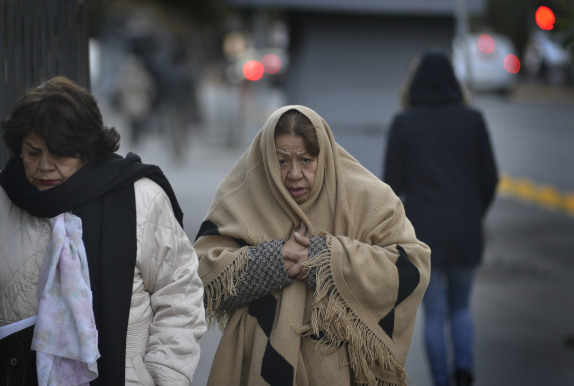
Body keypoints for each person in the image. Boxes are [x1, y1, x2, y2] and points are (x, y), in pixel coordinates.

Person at [194, 105, 431, 385]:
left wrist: (324, 259)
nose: (294, 173)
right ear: (267, 160)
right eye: (281, 161)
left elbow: (412, 265)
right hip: (254, 362)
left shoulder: (367, 196)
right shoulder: (243, 195)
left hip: (340, 369)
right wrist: (273, 261)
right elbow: (200, 273)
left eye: (306, 160)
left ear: (325, 155)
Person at [0, 76, 206, 385]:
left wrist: (164, 376)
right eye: (32, 152)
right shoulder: (5, 199)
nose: (44, 165)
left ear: (86, 149)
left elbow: (180, 293)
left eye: (59, 153)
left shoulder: (140, 198)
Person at [383, 50, 499, 386]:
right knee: (461, 307)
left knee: (434, 313)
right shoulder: (473, 120)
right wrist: (475, 212)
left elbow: (391, 186)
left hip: (424, 235)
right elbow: (489, 179)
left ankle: (440, 380)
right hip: (466, 231)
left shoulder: (404, 124)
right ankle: (464, 369)